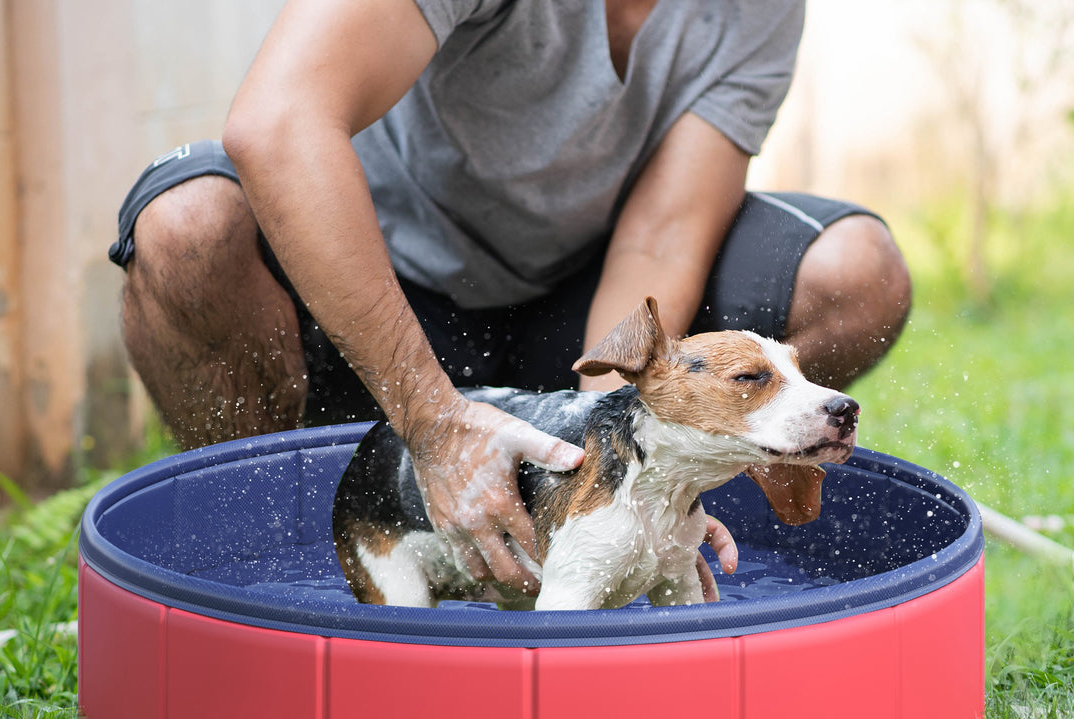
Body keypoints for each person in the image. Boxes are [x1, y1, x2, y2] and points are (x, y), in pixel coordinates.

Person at [110, 0, 911, 600]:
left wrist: (630, 474)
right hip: (374, 300)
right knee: (186, 227)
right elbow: (278, 122)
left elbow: (663, 236)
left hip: (577, 312)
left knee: (855, 271)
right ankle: (255, 558)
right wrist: (430, 420)